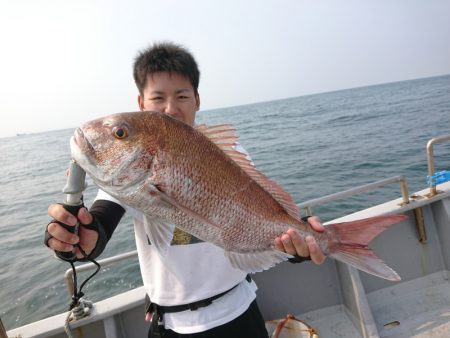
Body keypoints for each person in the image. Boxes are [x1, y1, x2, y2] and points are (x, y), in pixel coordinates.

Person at [45, 42, 326, 337]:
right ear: (141, 104)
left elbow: (265, 218)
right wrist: (78, 237)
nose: (170, 108)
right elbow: (102, 219)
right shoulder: (127, 176)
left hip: (240, 310)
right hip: (172, 325)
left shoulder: (232, 154)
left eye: (181, 96)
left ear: (197, 99)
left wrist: (300, 243)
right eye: (158, 98)